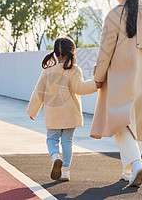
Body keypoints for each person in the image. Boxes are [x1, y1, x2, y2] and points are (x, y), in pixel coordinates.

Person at [90, 0, 142, 187]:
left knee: (119, 121)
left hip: (120, 77)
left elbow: (105, 51)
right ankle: (128, 170)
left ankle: (136, 164)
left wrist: (98, 76)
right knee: (137, 123)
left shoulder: (114, 14)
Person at [27, 37, 98, 181]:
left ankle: (55, 157)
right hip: (70, 114)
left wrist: (32, 111)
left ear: (55, 53)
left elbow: (38, 93)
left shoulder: (47, 72)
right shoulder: (74, 70)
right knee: (67, 141)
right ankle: (65, 171)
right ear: (72, 51)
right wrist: (95, 83)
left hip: (54, 114)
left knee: (52, 139)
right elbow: (80, 88)